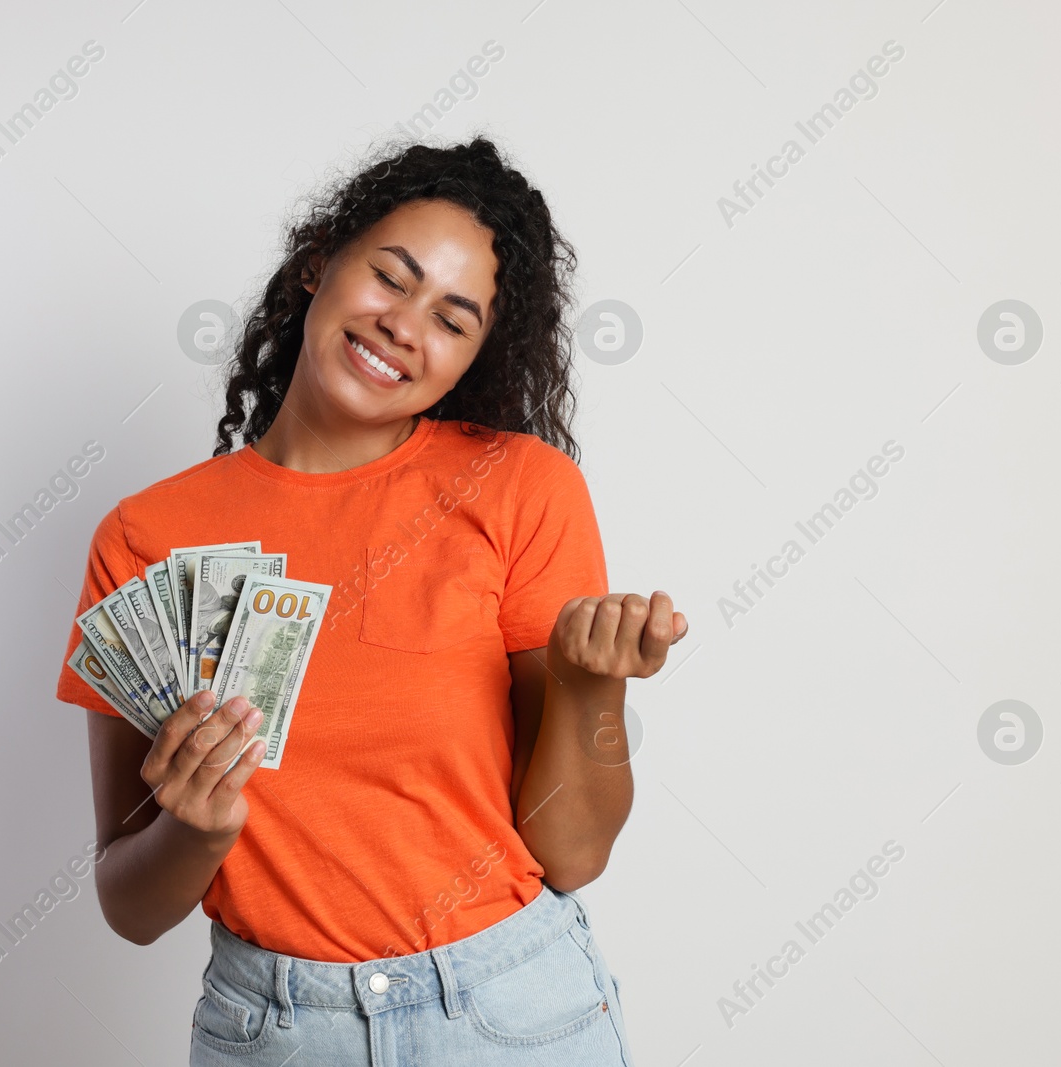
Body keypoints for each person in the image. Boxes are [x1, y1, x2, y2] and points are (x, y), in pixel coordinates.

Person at [55, 134, 688, 1066]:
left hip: (510, 1013)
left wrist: (592, 689)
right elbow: (128, 903)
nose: (404, 324)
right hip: (272, 1029)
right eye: (391, 277)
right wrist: (195, 829)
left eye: (452, 318)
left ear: (474, 357)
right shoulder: (147, 538)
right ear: (319, 262)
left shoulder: (521, 487)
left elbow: (571, 854)